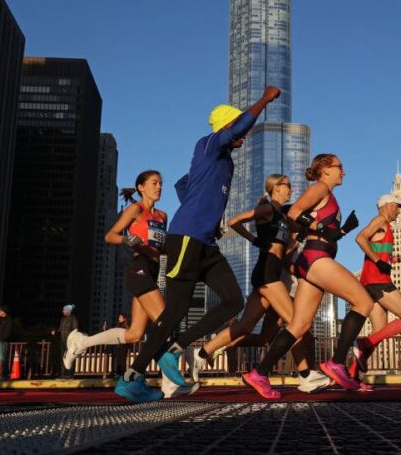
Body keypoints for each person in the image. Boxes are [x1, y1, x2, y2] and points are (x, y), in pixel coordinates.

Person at [115, 86, 281, 404]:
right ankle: (130, 378)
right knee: (174, 312)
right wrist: (264, 99)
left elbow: (182, 184)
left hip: (205, 242)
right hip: (186, 239)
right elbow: (239, 127)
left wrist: (208, 217)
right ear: (225, 128)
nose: (242, 138)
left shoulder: (225, 162)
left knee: (234, 301)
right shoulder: (208, 145)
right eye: (236, 131)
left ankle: (174, 350)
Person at [185, 174, 330, 394]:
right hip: (267, 273)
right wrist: (254, 240)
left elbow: (286, 247)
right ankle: (306, 376)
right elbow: (235, 221)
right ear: (275, 187)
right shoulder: (268, 209)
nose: (291, 189)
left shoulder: (281, 214)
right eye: (287, 185)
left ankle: (201, 353)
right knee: (297, 323)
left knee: (245, 326)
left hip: (268, 272)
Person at [242, 154, 369, 399]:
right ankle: (338, 363)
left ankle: (259, 373)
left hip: (314, 258)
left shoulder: (328, 195)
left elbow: (323, 231)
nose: (343, 171)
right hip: (316, 258)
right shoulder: (320, 187)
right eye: (339, 167)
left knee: (299, 325)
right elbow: (294, 213)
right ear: (325, 169)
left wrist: (343, 230)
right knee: (363, 302)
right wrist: (322, 229)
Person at [64, 170, 193, 398]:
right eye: (154, 183)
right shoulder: (136, 210)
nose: (159, 187)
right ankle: (167, 384)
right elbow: (110, 235)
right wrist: (127, 239)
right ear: (141, 187)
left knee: (134, 334)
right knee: (165, 319)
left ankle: (82, 342)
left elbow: (161, 248)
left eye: (161, 184)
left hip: (152, 271)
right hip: (138, 269)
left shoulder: (162, 216)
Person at [350, 193, 401, 389]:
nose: (398, 211)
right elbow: (360, 238)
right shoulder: (380, 220)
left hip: (370, 283)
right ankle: (363, 343)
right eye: (397, 207)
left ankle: (353, 375)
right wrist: (378, 261)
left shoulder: (386, 227)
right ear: (387, 206)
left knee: (379, 332)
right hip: (377, 282)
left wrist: (400, 259)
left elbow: (380, 255)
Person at [52, 304, 78, 379]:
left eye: (64, 310)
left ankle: (69, 374)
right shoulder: (63, 319)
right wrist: (56, 332)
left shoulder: (73, 319)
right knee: (63, 358)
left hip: (70, 342)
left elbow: (75, 330)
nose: (63, 311)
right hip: (63, 341)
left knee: (69, 358)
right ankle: (63, 374)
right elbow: (60, 330)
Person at [0, 305, 12, 381]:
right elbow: (0, 333)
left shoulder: (8, 320)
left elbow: (7, 333)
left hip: (3, 342)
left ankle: (3, 376)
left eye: (0, 311)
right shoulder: (2, 321)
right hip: (0, 341)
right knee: (1, 359)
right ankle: (5, 375)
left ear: (4, 312)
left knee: (2, 359)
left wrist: (2, 339)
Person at [112, 313, 130, 378]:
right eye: (119, 317)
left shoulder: (125, 326)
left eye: (120, 317)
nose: (119, 319)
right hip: (118, 345)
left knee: (122, 360)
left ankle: (122, 374)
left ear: (124, 319)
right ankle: (118, 373)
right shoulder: (119, 325)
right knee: (118, 360)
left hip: (122, 346)